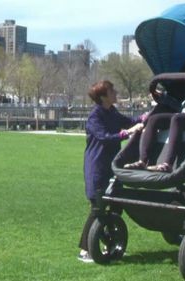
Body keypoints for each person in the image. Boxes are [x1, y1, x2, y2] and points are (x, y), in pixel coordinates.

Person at [78, 80, 144, 262]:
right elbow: (104, 137)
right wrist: (127, 133)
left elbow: (129, 121)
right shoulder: (95, 117)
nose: (115, 92)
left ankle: (111, 243)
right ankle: (85, 249)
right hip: (97, 167)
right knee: (98, 208)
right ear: (103, 96)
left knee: (116, 205)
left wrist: (145, 118)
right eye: (111, 90)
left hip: (112, 166)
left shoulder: (111, 112)